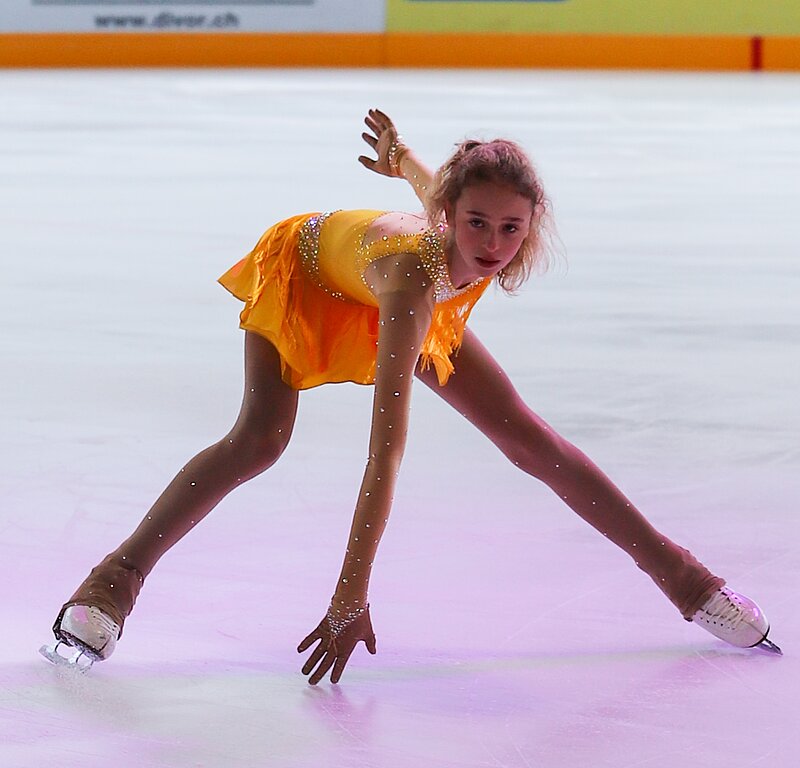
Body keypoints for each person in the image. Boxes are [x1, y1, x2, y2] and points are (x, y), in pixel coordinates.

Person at [41, 109, 781, 684]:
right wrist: (349, 593)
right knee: (259, 441)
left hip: (393, 284)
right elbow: (385, 451)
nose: (492, 245)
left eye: (511, 229)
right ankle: (113, 582)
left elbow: (435, 183)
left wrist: (399, 156)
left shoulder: (469, 218)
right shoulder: (414, 279)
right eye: (477, 225)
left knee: (529, 438)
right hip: (310, 276)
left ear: (532, 223)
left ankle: (686, 579)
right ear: (452, 216)